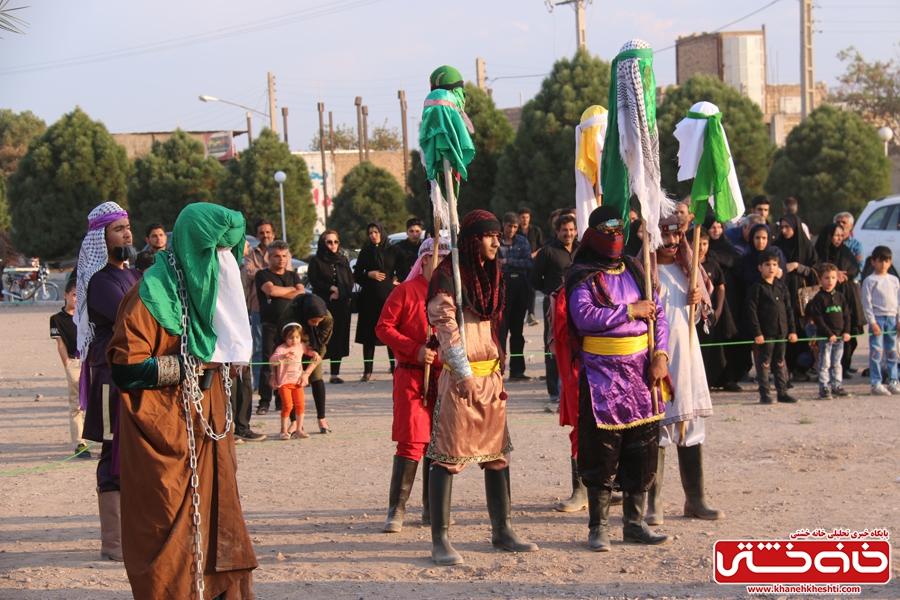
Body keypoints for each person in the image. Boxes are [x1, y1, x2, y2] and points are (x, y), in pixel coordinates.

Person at [107, 203, 256, 598]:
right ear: (195, 251)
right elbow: (125, 368)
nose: (224, 263)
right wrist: (189, 364)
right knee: (168, 528)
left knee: (221, 517)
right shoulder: (149, 296)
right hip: (166, 436)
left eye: (230, 253)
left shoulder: (214, 296)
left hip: (210, 431)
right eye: (215, 254)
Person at [425, 209, 538, 565]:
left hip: (490, 377)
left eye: (496, 235)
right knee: (448, 456)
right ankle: (440, 540)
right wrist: (464, 374)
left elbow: (492, 326)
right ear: (473, 240)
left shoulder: (491, 274)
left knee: (497, 456)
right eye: (489, 236)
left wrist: (496, 368)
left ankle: (502, 529)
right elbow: (446, 327)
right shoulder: (447, 276)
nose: (496, 240)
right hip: (462, 381)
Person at [561, 206, 671, 551]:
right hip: (601, 374)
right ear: (592, 234)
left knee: (643, 449)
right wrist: (628, 310)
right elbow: (584, 316)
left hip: (642, 372)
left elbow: (658, 314)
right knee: (601, 451)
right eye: (606, 231)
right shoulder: (582, 274)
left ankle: (635, 524)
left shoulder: (636, 268)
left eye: (619, 230)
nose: (614, 236)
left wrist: (661, 356)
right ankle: (599, 527)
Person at [75, 201, 142, 562]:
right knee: (111, 450)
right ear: (102, 237)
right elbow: (132, 317)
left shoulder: (132, 275)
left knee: (136, 449)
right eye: (118, 228)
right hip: (109, 377)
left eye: (128, 226)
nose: (127, 233)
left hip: (135, 373)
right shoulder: (100, 280)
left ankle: (135, 533)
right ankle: (113, 543)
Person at [646, 216, 723, 527]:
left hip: (688, 357)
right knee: (659, 427)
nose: (673, 243)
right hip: (658, 359)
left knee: (690, 425)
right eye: (666, 237)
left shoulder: (687, 272)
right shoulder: (645, 273)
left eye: (677, 237)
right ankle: (655, 503)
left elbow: (701, 315)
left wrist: (697, 300)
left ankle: (695, 499)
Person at [375, 237, 449, 533]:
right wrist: (414, 348)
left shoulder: (451, 295)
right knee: (412, 440)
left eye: (447, 258)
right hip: (410, 375)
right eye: (439, 258)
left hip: (443, 378)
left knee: (440, 443)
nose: (444, 264)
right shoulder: (404, 292)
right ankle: (398, 510)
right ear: (425, 260)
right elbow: (383, 328)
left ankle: (433, 511)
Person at [531, 214, 579, 403]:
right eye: (564, 230)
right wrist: (552, 292)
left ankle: (573, 386)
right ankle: (554, 391)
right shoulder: (547, 251)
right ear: (557, 231)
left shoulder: (581, 250)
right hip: (554, 305)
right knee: (553, 343)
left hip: (579, 303)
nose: (568, 233)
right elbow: (534, 279)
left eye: (571, 229)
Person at [255, 240, 305, 415]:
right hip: (270, 325)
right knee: (269, 363)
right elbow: (271, 291)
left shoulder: (293, 275)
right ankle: (264, 401)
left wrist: (283, 290)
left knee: (289, 362)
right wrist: (291, 291)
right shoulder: (263, 274)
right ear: (269, 256)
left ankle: (281, 400)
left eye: (284, 256)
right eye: (277, 256)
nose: (281, 259)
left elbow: (302, 293)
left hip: (291, 329)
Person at [814, 223, 867, 380]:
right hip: (826, 297)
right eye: (835, 235)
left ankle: (845, 366)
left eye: (840, 235)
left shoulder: (845, 251)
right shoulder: (820, 252)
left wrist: (845, 275)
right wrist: (833, 274)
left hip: (846, 295)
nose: (838, 239)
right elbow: (817, 267)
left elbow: (854, 268)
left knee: (850, 333)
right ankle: (825, 372)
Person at [746, 250, 799, 404]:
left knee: (780, 362)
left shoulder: (782, 288)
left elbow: (789, 311)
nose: (771, 268)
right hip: (766, 334)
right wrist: (757, 333)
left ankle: (782, 392)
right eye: (767, 264)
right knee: (765, 364)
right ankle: (765, 393)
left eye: (774, 265)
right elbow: (752, 312)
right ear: (759, 267)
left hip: (781, 332)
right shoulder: (756, 288)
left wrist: (792, 331)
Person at [690, 227, 739, 391]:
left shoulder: (712, 264)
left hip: (708, 316)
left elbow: (720, 286)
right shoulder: (685, 263)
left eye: (705, 243)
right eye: (698, 243)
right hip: (690, 316)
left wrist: (718, 309)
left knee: (710, 350)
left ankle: (709, 382)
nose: (702, 247)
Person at [278, 293, 334, 433]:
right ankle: (294, 423)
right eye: (313, 321)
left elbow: (321, 345)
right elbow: (282, 339)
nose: (316, 324)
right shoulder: (290, 315)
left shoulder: (326, 318)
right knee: (290, 381)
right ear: (306, 315)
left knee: (316, 377)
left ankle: (322, 419)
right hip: (291, 344)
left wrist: (307, 373)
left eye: (319, 321)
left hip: (314, 345)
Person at [773, 213, 818, 381]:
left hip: (801, 300)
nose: (784, 231)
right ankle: (783, 370)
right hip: (782, 295)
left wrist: (798, 267)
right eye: (782, 227)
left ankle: (799, 369)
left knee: (800, 331)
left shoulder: (806, 247)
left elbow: (816, 272)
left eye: (788, 227)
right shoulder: (777, 246)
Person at [354, 221, 400, 382]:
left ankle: (395, 369)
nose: (373, 235)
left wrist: (397, 278)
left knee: (390, 333)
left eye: (376, 232)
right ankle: (367, 371)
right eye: (370, 233)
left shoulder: (393, 250)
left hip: (387, 298)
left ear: (382, 232)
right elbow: (356, 275)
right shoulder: (366, 252)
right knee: (368, 336)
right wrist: (369, 275)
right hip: (369, 299)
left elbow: (405, 265)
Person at [50, 278, 90, 459]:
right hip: (74, 362)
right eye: (74, 295)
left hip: (90, 362)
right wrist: (67, 363)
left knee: (95, 401)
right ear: (66, 295)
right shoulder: (57, 319)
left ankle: (103, 440)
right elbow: (60, 344)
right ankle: (79, 442)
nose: (76, 299)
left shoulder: (87, 315)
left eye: (79, 295)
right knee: (77, 404)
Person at [307, 230, 354, 383]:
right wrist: (330, 289)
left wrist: (340, 291)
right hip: (323, 304)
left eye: (335, 242)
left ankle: (335, 374)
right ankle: (313, 373)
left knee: (339, 337)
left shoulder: (342, 260)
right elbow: (314, 280)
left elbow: (350, 281)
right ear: (323, 243)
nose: (333, 245)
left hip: (341, 304)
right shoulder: (316, 261)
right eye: (329, 242)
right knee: (320, 338)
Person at [806, 263, 853, 399]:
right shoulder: (818, 298)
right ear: (820, 280)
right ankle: (824, 387)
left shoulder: (840, 297)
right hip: (826, 337)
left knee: (837, 363)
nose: (830, 281)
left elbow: (846, 316)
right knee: (825, 363)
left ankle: (836, 385)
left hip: (840, 337)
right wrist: (828, 333)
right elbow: (818, 319)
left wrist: (846, 331)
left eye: (833, 277)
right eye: (826, 278)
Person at [498, 212, 534, 381]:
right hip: (502, 286)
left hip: (520, 285)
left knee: (517, 332)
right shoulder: (496, 242)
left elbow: (528, 263)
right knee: (501, 330)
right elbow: (494, 263)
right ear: (503, 225)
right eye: (508, 226)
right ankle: (498, 368)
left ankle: (517, 370)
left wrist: (508, 262)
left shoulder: (523, 241)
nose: (511, 230)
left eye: (514, 227)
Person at [243, 219, 278, 389]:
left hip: (280, 307)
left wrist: (264, 274)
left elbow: (287, 274)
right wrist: (271, 274)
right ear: (257, 235)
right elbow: (249, 272)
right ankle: (258, 384)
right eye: (261, 232)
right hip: (258, 307)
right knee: (258, 348)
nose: (265, 235)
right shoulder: (251, 254)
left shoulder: (282, 252)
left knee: (281, 347)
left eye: (268, 232)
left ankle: (280, 382)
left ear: (273, 234)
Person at [270, 323, 321, 439]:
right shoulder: (281, 349)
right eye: (291, 337)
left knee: (301, 405)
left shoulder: (301, 346)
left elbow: (309, 351)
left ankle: (299, 429)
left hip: (297, 382)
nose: (294, 340)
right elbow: (272, 360)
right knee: (287, 406)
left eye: (297, 337)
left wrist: (314, 353)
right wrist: (282, 357)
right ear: (284, 337)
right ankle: (283, 431)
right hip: (284, 383)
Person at [861, 246, 900, 396]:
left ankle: (893, 380)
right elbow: (867, 304)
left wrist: (898, 320)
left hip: (892, 318)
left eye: (886, 261)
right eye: (879, 261)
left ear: (890, 262)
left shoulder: (894, 280)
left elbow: (898, 302)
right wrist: (872, 322)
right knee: (877, 352)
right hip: (878, 318)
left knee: (893, 352)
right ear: (873, 262)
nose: (883, 264)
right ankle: (876, 383)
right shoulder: (870, 280)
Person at [518, 207, 543, 326]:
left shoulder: (536, 231)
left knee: (531, 289)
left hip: (532, 263)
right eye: (523, 217)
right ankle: (520, 314)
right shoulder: (515, 231)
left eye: (527, 217)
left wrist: (532, 255)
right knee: (521, 289)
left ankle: (531, 314)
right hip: (518, 264)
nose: (525, 219)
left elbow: (541, 247)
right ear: (519, 218)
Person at [394, 217, 425, 282]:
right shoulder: (399, 247)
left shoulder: (424, 247)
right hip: (402, 282)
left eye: (417, 231)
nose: (414, 234)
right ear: (407, 232)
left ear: (421, 232)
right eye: (411, 231)